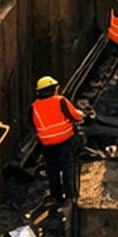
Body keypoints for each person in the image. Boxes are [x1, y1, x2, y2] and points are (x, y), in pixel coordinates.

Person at [32, 75, 84, 204]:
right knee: (67, 166)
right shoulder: (60, 101)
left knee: (52, 169)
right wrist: (82, 114)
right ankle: (70, 195)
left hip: (47, 143)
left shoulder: (34, 107)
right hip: (65, 139)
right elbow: (75, 115)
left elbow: (32, 123)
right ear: (53, 89)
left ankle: (56, 196)